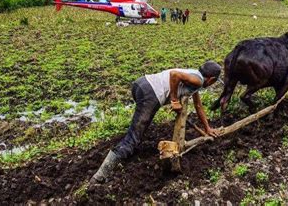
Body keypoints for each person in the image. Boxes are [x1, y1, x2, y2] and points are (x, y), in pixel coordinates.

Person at [90, 61, 222, 184]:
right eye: (214, 82)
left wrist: (207, 128)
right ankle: (100, 176)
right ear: (212, 79)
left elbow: (198, 106)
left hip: (141, 84)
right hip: (150, 93)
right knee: (132, 139)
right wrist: (174, 100)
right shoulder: (198, 81)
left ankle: (129, 147)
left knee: (139, 128)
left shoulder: (193, 76)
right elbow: (174, 75)